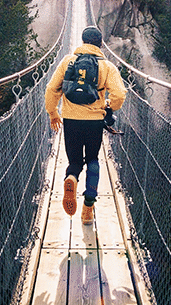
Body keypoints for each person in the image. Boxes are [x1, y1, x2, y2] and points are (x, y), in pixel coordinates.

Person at [45, 26, 126, 225]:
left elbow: (51, 89)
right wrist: (109, 106)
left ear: (82, 42)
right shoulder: (107, 66)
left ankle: (71, 177)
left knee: (74, 160)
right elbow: (119, 95)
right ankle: (88, 209)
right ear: (100, 43)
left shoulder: (67, 61)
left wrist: (53, 113)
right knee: (92, 160)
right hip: (94, 123)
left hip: (71, 120)